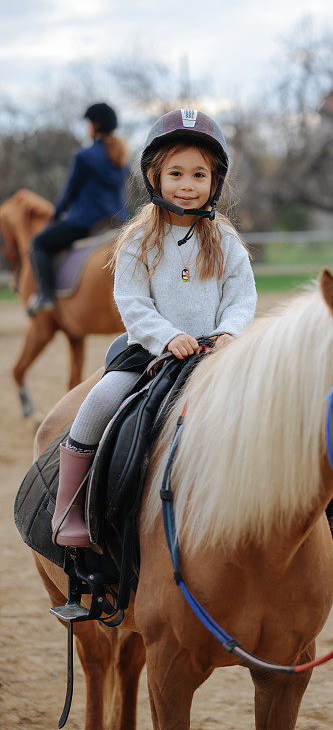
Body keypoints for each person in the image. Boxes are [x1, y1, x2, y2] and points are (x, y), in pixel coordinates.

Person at [51, 108, 257, 548]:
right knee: (99, 402)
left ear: (214, 182)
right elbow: (132, 302)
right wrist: (167, 336)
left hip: (217, 352)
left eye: (199, 175)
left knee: (280, 397)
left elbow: (242, 298)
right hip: (150, 350)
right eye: (176, 173)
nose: (187, 185)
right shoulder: (137, 239)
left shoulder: (226, 242)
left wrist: (228, 334)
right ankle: (70, 507)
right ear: (154, 177)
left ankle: (324, 503)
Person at [28, 103, 129, 316]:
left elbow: (70, 192)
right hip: (116, 221)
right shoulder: (120, 157)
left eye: (88, 123)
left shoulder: (84, 156)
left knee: (38, 243)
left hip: (85, 222)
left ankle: (46, 296)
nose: (86, 127)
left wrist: (55, 216)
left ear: (95, 125)